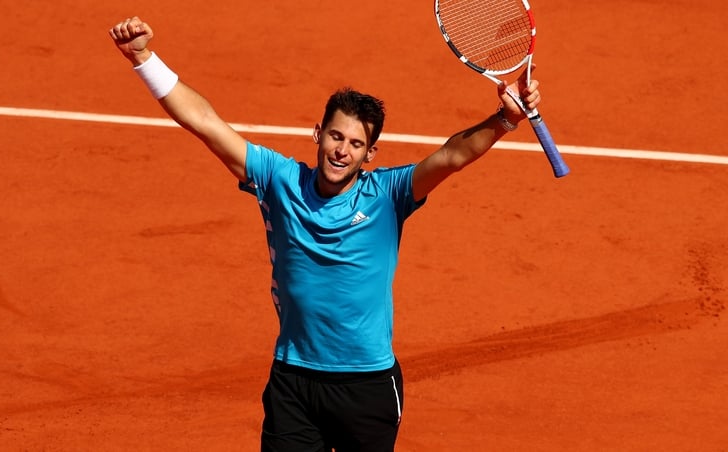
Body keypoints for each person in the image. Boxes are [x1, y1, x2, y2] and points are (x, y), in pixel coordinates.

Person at [109, 16, 542, 452]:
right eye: (336, 136)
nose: (341, 150)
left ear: (370, 154)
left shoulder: (388, 195)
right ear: (318, 134)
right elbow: (206, 122)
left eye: (355, 144)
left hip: (367, 385)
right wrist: (144, 58)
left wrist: (503, 121)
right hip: (294, 381)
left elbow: (451, 156)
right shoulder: (279, 180)